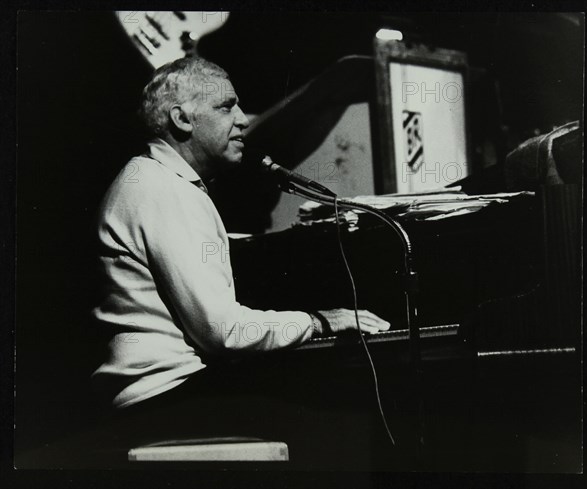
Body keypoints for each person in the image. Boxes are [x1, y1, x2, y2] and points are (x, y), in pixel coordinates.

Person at [91, 56, 390, 460]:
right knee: (344, 426)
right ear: (182, 120)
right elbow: (223, 331)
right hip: (163, 399)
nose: (243, 120)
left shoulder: (160, 181)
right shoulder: (163, 190)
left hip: (175, 393)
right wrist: (320, 321)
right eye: (225, 106)